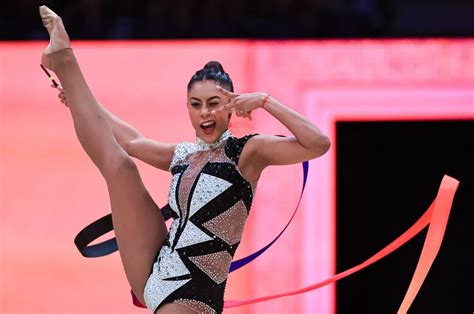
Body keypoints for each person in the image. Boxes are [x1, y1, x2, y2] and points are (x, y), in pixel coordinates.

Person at [39, 5, 330, 314]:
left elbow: (317, 143)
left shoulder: (249, 152)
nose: (205, 112)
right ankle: (65, 62)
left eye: (214, 103)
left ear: (230, 107)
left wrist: (265, 101)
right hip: (155, 268)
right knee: (121, 166)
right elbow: (132, 141)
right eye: (196, 104)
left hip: (196, 290)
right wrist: (80, 100)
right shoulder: (183, 155)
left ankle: (64, 60)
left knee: (120, 162)